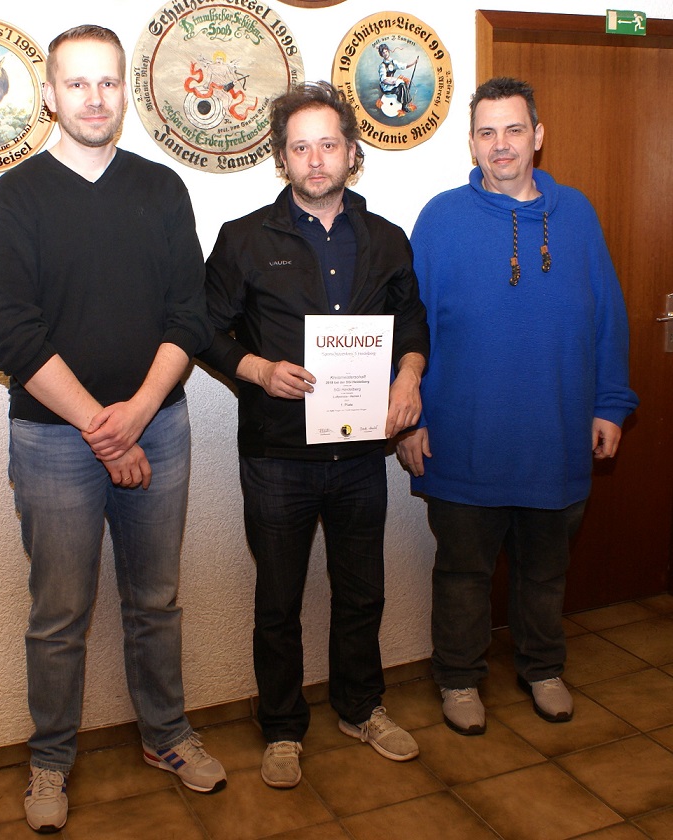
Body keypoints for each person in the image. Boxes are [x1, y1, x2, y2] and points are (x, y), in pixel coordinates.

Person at [0, 25, 225, 834]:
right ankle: (51, 758)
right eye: (77, 83)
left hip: (159, 424)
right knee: (58, 614)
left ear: (126, 92)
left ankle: (166, 735)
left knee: (156, 599)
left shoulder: (161, 189)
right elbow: (11, 336)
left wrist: (140, 414)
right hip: (53, 440)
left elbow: (189, 315)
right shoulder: (17, 196)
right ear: (51, 96)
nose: (94, 98)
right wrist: (103, 428)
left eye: (108, 82)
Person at [199, 81, 429, 788]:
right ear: (281, 158)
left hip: (360, 455)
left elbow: (412, 324)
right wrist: (258, 370)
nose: (316, 158)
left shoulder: (386, 238)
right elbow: (205, 330)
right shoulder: (242, 238)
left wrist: (408, 377)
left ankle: (361, 707)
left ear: (352, 152)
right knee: (278, 601)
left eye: (328, 144)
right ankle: (281, 727)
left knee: (362, 591)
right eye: (300, 147)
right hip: (277, 457)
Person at [397, 77, 638, 736]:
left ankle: (542, 668)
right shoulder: (440, 219)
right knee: (462, 574)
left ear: (537, 136)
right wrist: (411, 419)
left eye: (512, 130)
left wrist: (610, 404)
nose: (500, 145)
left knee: (544, 572)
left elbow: (608, 319)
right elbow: (408, 326)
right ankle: (457, 677)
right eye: (486, 132)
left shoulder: (577, 214)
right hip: (462, 439)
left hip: (556, 437)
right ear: (471, 143)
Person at [377, 43, 417, 116]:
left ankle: (404, 103)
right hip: (385, 85)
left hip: (391, 82)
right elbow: (383, 79)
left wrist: (413, 63)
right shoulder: (382, 66)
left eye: (386, 51)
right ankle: (404, 105)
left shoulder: (393, 62)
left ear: (388, 51)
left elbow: (402, 66)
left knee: (403, 83)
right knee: (401, 85)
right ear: (381, 54)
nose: (385, 54)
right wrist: (392, 83)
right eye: (383, 53)